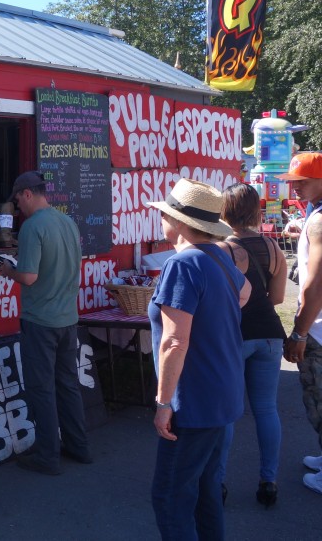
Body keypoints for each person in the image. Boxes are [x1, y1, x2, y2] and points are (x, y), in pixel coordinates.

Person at [146, 178, 250, 541]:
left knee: (171, 497)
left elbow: (174, 342)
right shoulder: (218, 256)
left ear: (177, 222)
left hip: (194, 401)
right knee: (205, 492)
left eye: (165, 215)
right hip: (223, 392)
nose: (161, 220)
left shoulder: (183, 264)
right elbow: (246, 291)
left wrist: (163, 403)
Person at [0, 170, 90, 475]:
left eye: (17, 201)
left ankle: (48, 456)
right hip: (68, 318)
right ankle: (79, 447)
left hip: (40, 321)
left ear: (26, 194)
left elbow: (29, 276)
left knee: (42, 389)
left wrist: (8, 272)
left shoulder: (32, 227)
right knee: (68, 384)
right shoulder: (67, 222)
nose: (17, 207)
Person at [216, 183, 287, 508]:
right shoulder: (273, 247)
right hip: (270, 334)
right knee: (267, 409)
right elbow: (279, 298)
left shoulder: (224, 249)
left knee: (228, 411)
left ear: (225, 211)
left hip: (236, 336)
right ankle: (268, 480)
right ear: (257, 210)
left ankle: (217, 483)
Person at [277, 152, 322, 495]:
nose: (297, 188)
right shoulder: (315, 217)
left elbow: (315, 284)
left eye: (302, 181)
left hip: (319, 328)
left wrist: (300, 332)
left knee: (318, 399)